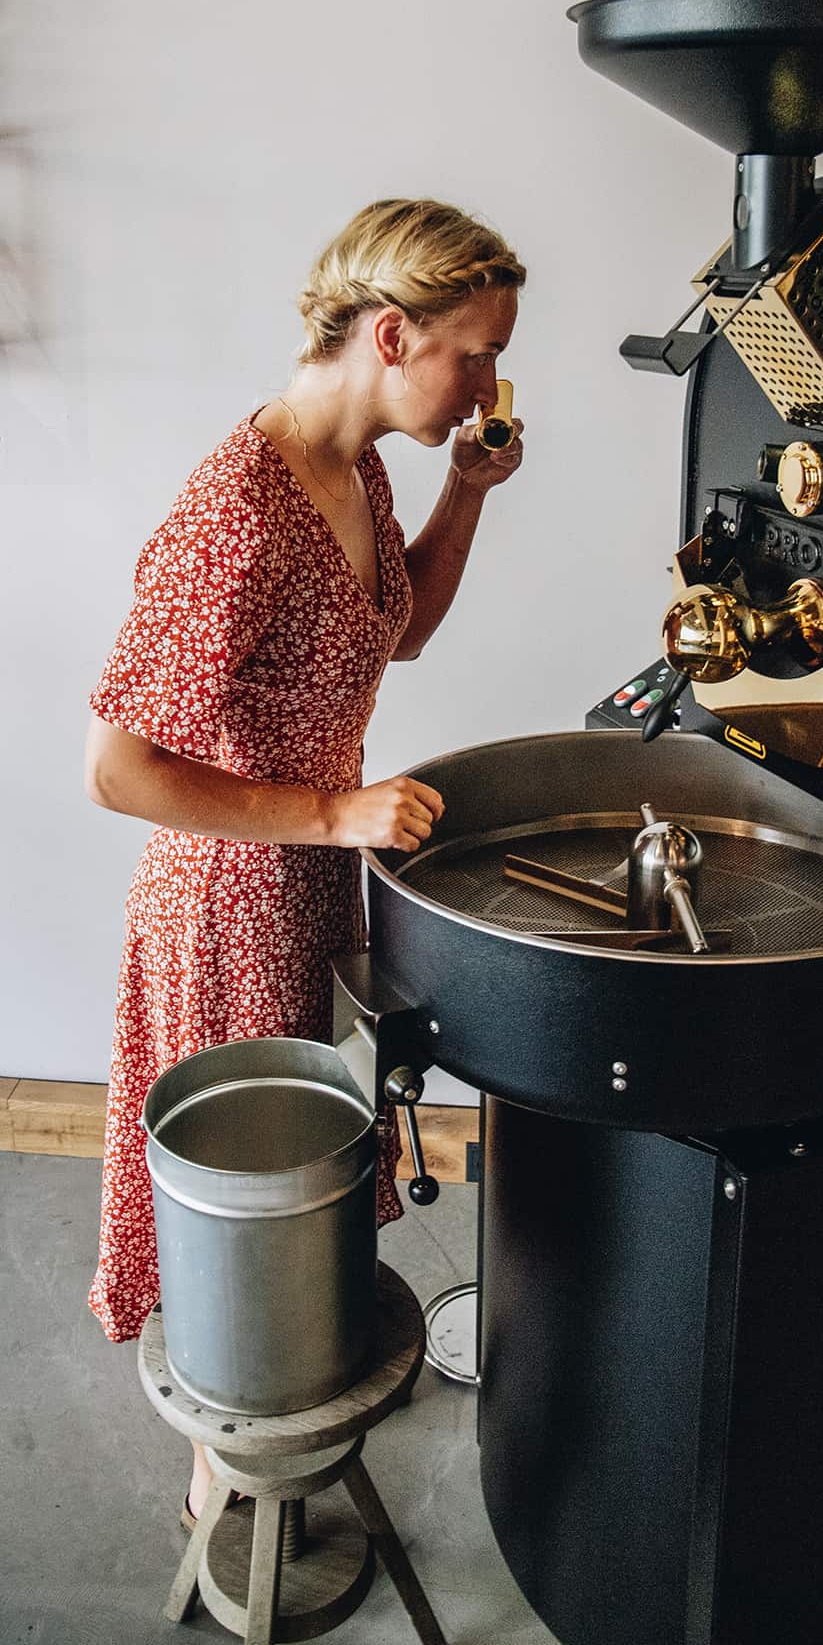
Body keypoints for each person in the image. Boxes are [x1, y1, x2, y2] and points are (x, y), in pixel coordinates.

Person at [83, 197, 526, 1525]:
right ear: (393, 335)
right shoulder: (239, 505)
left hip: (304, 881)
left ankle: (272, 1396)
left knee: (295, 1182)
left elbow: (396, 635)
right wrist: (337, 817)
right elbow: (119, 769)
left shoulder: (364, 469)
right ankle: (231, 1459)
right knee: (246, 1200)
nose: (489, 384)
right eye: (475, 355)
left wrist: (468, 489)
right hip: (226, 899)